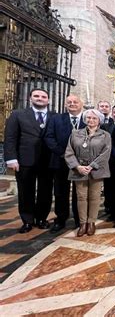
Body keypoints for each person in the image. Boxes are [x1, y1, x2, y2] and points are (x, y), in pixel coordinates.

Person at [4, 88, 54, 233]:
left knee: (45, 191)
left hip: (47, 160)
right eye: (36, 96)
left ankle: (42, 218)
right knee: (26, 191)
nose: (40, 98)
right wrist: (11, 158)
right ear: (30, 98)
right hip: (24, 159)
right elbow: (10, 138)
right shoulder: (18, 114)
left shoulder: (54, 116)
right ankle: (27, 220)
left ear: (48, 100)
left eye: (43, 96)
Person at [64, 109, 111, 236]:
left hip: (96, 171)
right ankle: (82, 223)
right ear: (85, 119)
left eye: (94, 118)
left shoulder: (105, 135)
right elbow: (69, 152)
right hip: (79, 171)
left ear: (99, 120)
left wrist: (91, 166)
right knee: (81, 197)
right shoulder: (75, 134)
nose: (91, 120)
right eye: (88, 118)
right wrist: (77, 166)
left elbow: (105, 153)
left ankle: (91, 222)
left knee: (95, 197)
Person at [44, 94, 86, 232]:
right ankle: (60, 219)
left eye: (75, 101)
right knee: (60, 191)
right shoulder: (56, 119)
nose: (72, 104)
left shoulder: (88, 119)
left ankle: (79, 219)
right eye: (69, 102)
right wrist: (64, 154)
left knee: (79, 192)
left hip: (81, 162)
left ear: (81, 104)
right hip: (60, 160)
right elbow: (49, 137)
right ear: (65, 104)